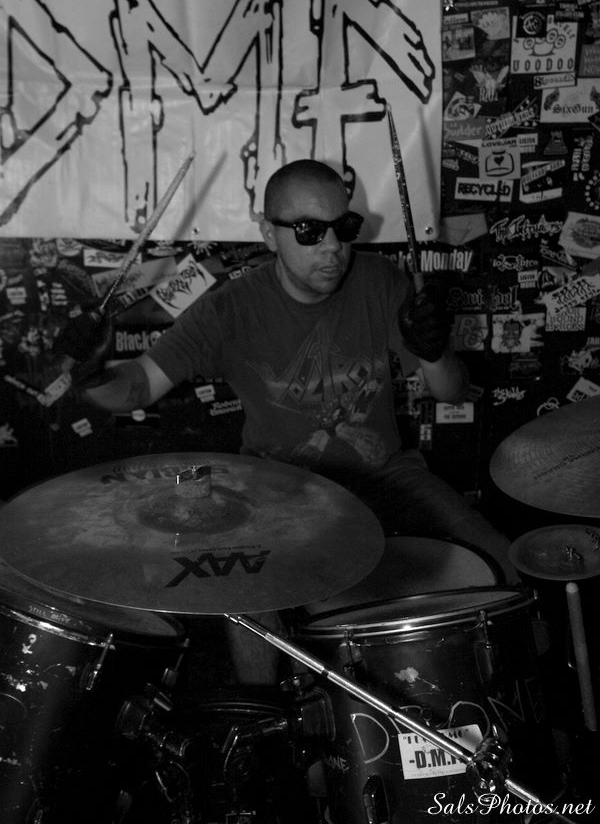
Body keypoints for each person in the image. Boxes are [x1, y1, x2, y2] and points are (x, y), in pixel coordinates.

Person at [57, 159, 516, 683]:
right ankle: (264, 715)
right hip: (277, 489)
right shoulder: (229, 310)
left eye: (343, 227)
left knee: (502, 564)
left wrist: (433, 353)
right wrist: (89, 374)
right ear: (268, 233)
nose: (332, 247)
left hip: (388, 476)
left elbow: (451, 391)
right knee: (249, 599)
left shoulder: (380, 281)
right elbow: (138, 386)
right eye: (308, 230)